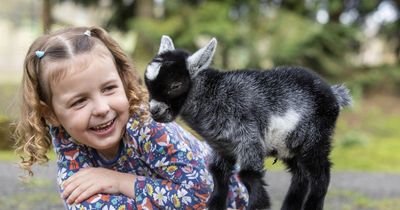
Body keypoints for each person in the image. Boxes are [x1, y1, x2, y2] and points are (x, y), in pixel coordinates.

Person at [14, 26, 248, 209]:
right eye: (79, 101)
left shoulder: (147, 125)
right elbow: (79, 198)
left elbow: (203, 196)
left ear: (124, 81)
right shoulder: (66, 136)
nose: (101, 108)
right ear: (52, 115)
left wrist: (118, 182)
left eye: (108, 89)